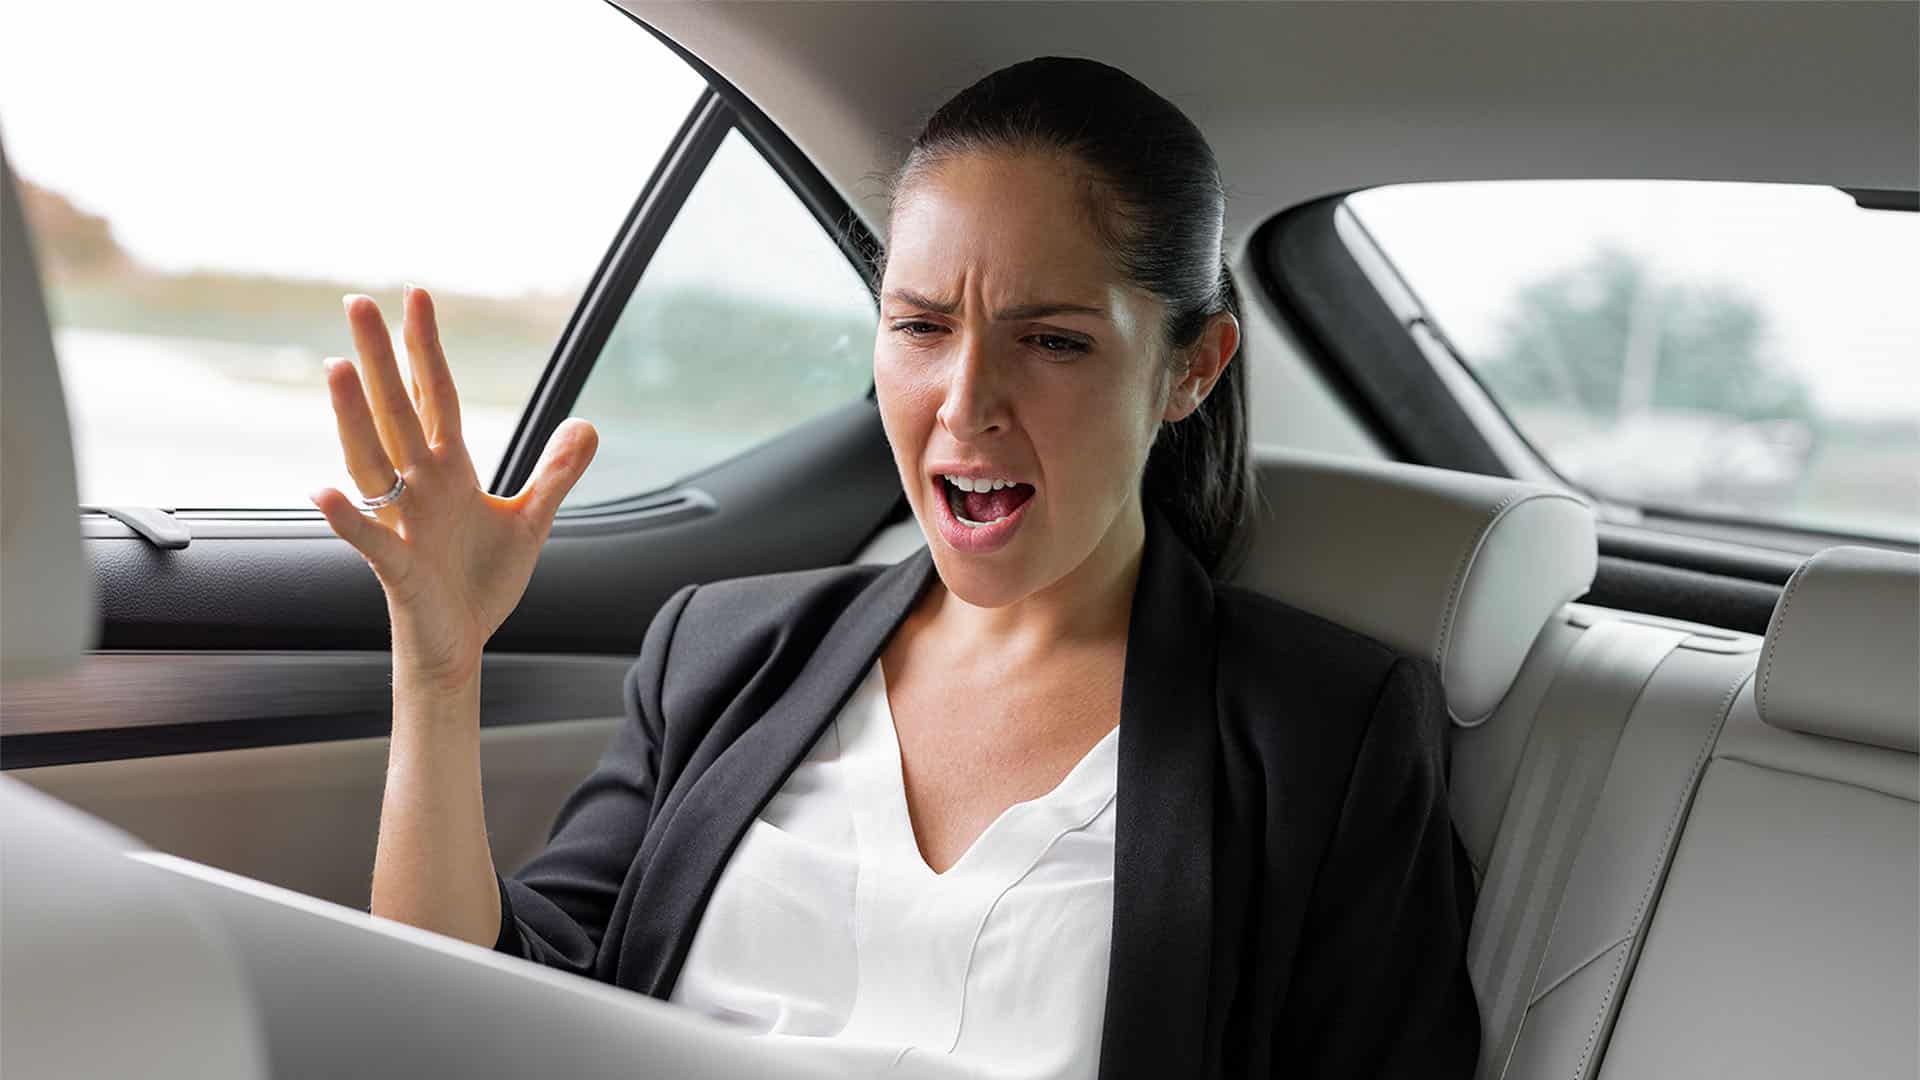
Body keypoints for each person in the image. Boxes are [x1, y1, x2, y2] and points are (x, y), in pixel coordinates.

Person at [309, 56, 1479, 1080]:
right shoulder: (722, 653)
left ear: (1190, 369)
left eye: (1053, 340)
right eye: (921, 326)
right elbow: (483, 1005)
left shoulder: (1323, 731)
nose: (965, 404)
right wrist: (440, 669)